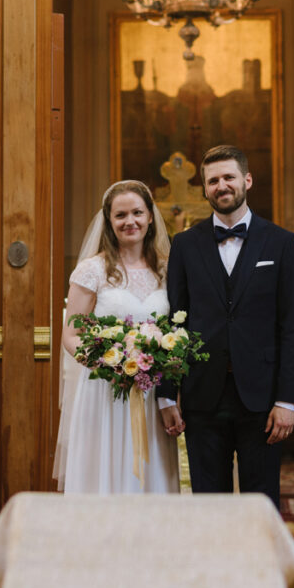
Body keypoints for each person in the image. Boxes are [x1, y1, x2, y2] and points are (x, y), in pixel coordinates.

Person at [158, 144, 294, 509]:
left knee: (261, 501)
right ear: (205, 189)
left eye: (228, 177)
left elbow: (291, 327)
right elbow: (174, 320)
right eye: (213, 181)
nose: (221, 186)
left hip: (262, 398)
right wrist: (167, 394)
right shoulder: (185, 245)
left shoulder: (281, 242)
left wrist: (286, 401)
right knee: (208, 503)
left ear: (247, 180)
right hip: (202, 394)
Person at [54, 180, 180, 493]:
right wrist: (109, 365)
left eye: (137, 212)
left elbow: (176, 332)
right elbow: (71, 335)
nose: (130, 221)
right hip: (105, 390)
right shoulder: (92, 270)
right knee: (105, 474)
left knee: (152, 477)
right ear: (109, 221)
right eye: (120, 215)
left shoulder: (168, 269)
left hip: (151, 390)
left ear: (150, 216)